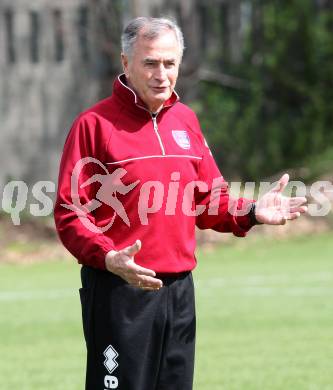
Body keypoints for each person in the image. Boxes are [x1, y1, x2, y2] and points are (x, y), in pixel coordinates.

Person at [54, 16, 307, 390]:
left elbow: (208, 201)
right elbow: (69, 211)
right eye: (150, 63)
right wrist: (108, 256)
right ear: (126, 64)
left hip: (180, 294)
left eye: (169, 63)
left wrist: (252, 212)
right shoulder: (93, 125)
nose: (161, 74)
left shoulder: (185, 121)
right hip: (121, 292)